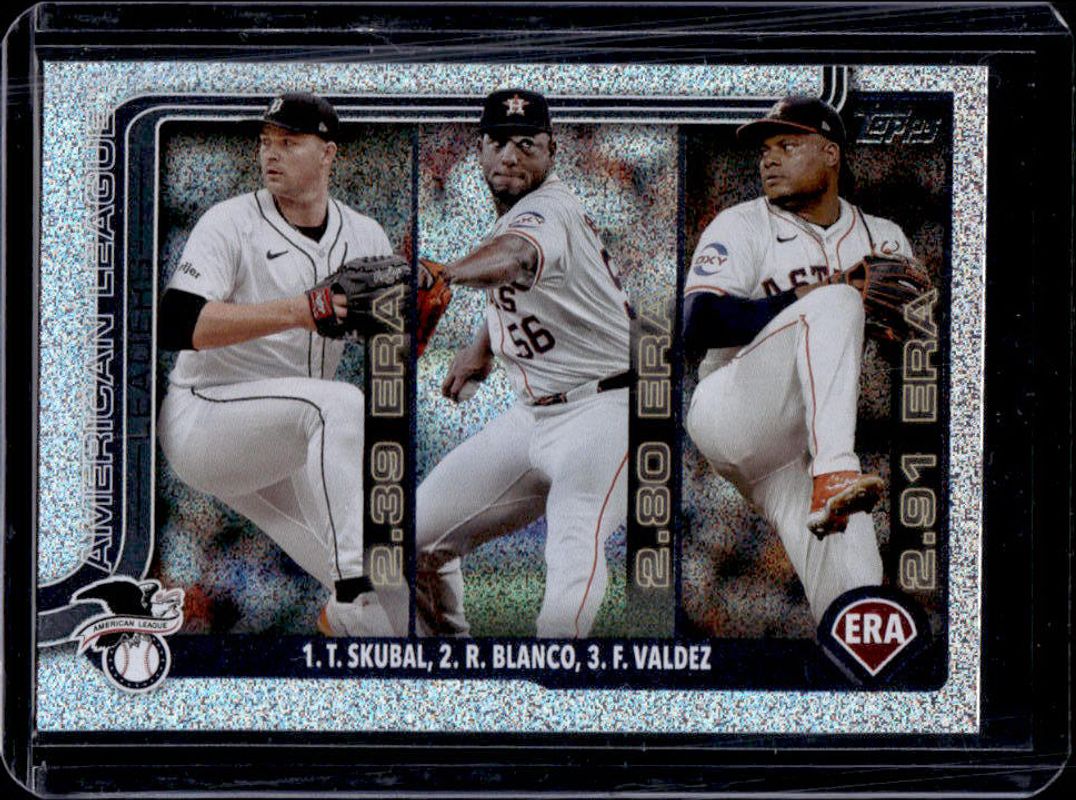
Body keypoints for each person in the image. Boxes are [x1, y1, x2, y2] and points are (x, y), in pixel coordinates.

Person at [386, 88, 632, 638]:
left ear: (552, 152)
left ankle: (555, 685)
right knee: (411, 541)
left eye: (527, 144)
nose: (510, 156)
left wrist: (446, 273)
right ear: (479, 149)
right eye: (498, 142)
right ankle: (451, 665)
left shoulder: (548, 209)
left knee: (573, 562)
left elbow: (518, 256)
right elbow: (525, 278)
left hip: (607, 412)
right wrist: (483, 345)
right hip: (534, 415)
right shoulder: (517, 215)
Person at [156, 92, 398, 637]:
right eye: (266, 141)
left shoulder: (366, 236)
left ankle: (349, 617)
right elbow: (175, 321)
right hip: (205, 419)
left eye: (289, 142)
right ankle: (352, 580)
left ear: (328, 153)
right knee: (339, 405)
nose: (271, 152)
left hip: (288, 438)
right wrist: (298, 310)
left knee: (388, 605)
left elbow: (390, 356)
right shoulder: (230, 222)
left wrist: (409, 330)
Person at [682, 96, 915, 623]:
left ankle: (850, 672)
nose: (769, 159)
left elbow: (919, 342)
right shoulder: (742, 225)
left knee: (859, 590)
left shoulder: (884, 238)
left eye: (786, 145)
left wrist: (907, 330)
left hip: (797, 451)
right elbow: (698, 323)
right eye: (765, 150)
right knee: (836, 300)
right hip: (732, 405)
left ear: (831, 153)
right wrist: (811, 293)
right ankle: (835, 473)